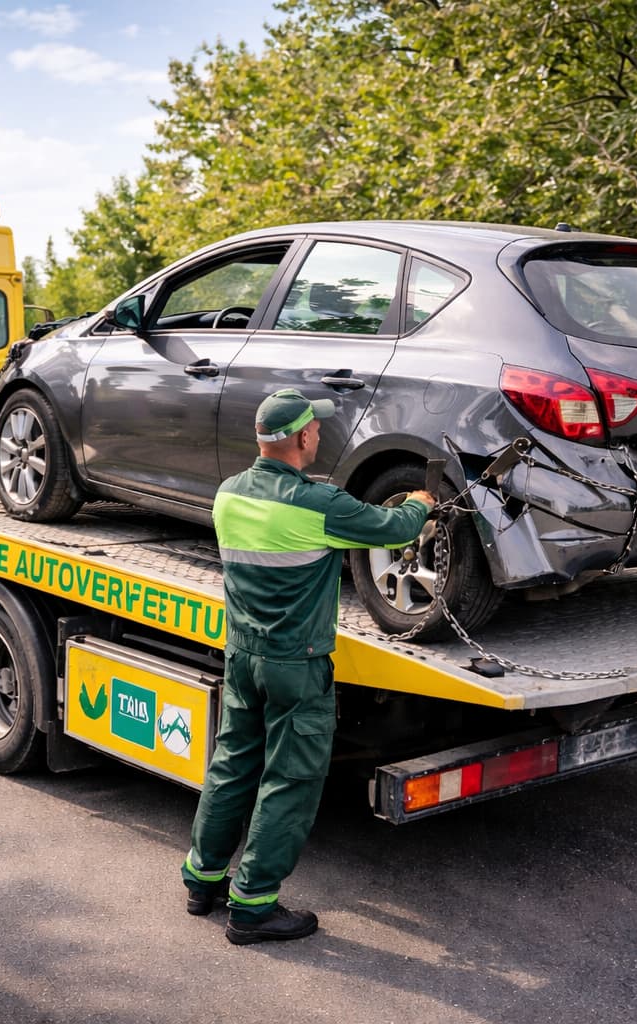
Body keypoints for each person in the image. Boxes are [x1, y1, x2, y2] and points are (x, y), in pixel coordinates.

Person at [182, 388, 436, 945]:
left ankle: (202, 880)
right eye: (315, 429)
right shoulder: (317, 507)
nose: (320, 434)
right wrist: (420, 502)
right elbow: (392, 530)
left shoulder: (229, 495)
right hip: (296, 664)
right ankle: (253, 908)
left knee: (232, 766)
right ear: (300, 438)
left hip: (245, 656)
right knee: (289, 781)